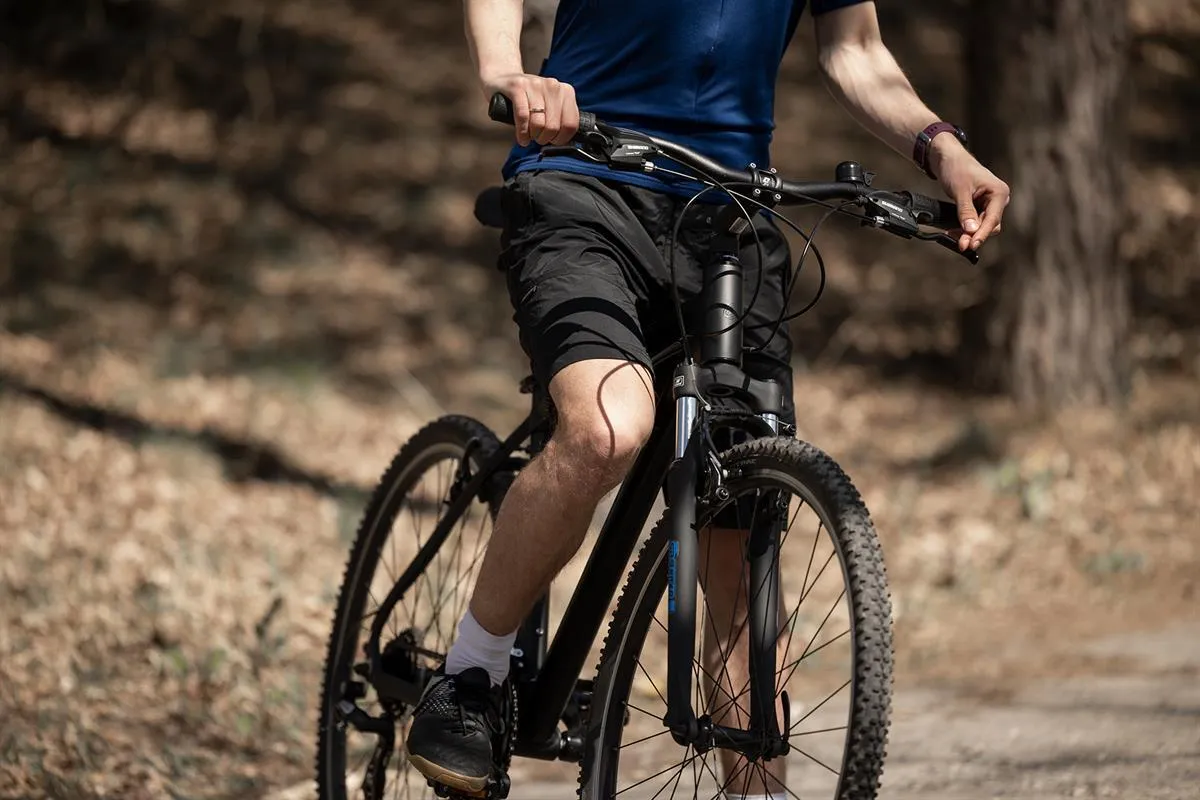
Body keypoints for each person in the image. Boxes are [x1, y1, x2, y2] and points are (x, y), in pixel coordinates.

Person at [406, 0, 1011, 795]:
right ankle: (471, 677)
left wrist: (942, 150)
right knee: (609, 428)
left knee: (738, 533)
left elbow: (857, 51)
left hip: (729, 214)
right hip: (584, 181)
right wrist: (507, 73)